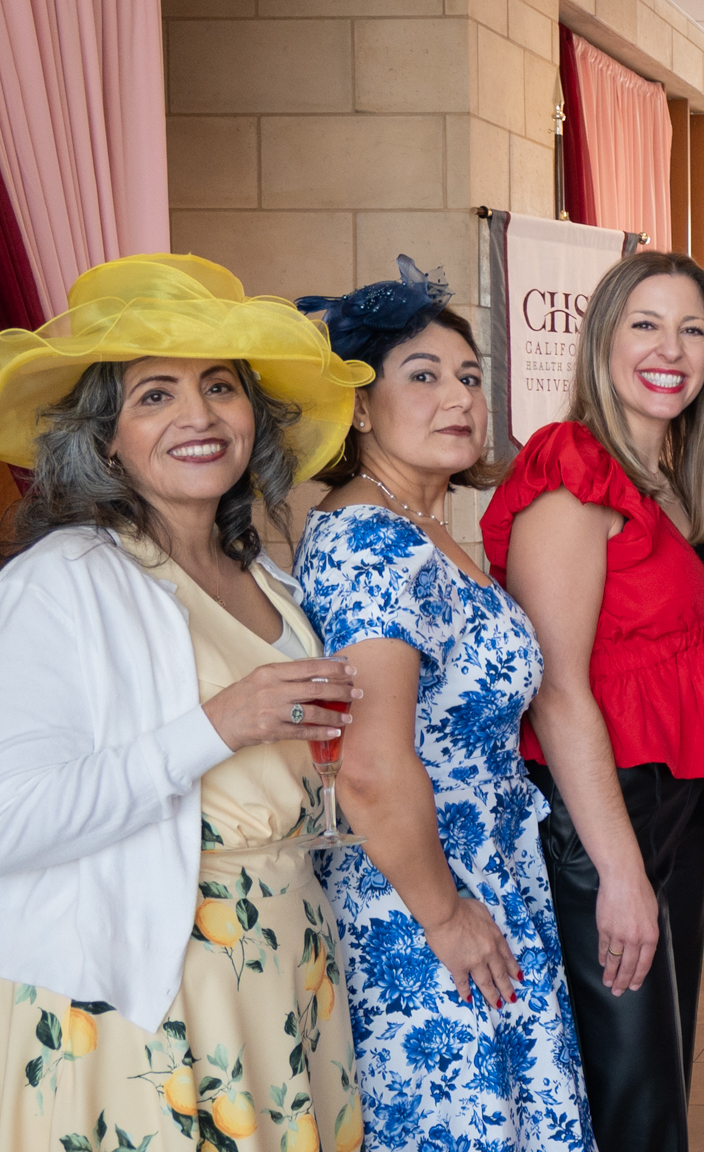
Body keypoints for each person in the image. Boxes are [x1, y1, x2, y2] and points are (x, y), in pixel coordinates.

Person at [0, 253, 368, 1151]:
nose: (198, 416)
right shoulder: (62, 580)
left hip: (286, 961)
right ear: (105, 438)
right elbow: (13, 818)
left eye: (220, 387)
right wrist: (218, 725)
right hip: (145, 991)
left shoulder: (265, 575)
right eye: (155, 395)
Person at [293, 259, 594, 1151]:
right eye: (422, 377)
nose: (458, 397)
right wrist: (444, 916)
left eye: (469, 376)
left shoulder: (423, 529)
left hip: (485, 871)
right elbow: (368, 763)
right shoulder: (368, 541)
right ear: (359, 407)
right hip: (419, 894)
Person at [480, 251, 704, 1150]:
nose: (671, 349)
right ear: (601, 340)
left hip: (670, 808)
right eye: (646, 324)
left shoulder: (670, 478)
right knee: (630, 1101)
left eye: (692, 330)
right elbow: (557, 690)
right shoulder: (573, 469)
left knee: (659, 1082)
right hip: (601, 817)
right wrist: (621, 872)